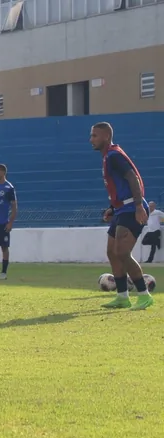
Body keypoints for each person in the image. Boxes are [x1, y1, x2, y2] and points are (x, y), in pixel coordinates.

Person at [91, 122, 154, 310]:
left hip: (130, 209)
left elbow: (132, 178)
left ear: (106, 137)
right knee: (112, 252)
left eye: (94, 136)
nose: (91, 140)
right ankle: (122, 296)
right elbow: (119, 186)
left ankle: (144, 295)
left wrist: (138, 206)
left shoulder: (114, 155)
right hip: (121, 209)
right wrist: (112, 207)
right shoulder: (108, 157)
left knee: (122, 253)